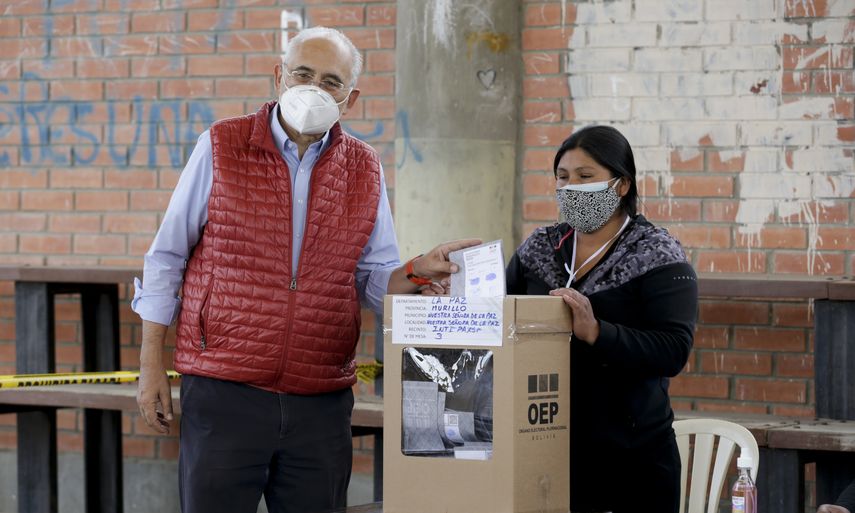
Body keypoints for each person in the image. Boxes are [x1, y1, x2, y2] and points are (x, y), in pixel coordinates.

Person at [132, 26, 478, 513]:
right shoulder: (220, 146)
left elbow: (375, 281)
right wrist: (151, 367)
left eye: (331, 81)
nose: (315, 87)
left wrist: (419, 271)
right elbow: (166, 258)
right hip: (226, 390)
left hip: (320, 401)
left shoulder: (364, 167)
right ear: (279, 77)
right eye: (303, 73)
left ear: (350, 98)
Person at [505, 125, 698, 513]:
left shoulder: (657, 254)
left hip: (632, 457)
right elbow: (501, 313)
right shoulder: (539, 249)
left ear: (622, 185)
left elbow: (673, 350)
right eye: (563, 177)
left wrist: (598, 332)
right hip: (544, 447)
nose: (571, 187)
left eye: (586, 177)